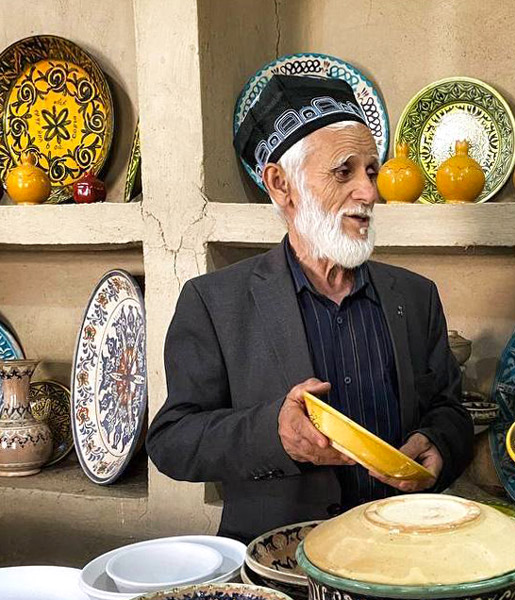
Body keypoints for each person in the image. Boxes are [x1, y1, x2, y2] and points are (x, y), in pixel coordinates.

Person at [147, 75, 473, 543]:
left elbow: (450, 411)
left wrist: (438, 444)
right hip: (281, 561)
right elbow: (172, 441)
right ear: (281, 185)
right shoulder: (215, 301)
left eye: (371, 172)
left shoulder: (415, 296)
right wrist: (273, 433)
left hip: (399, 553)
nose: (369, 193)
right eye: (344, 172)